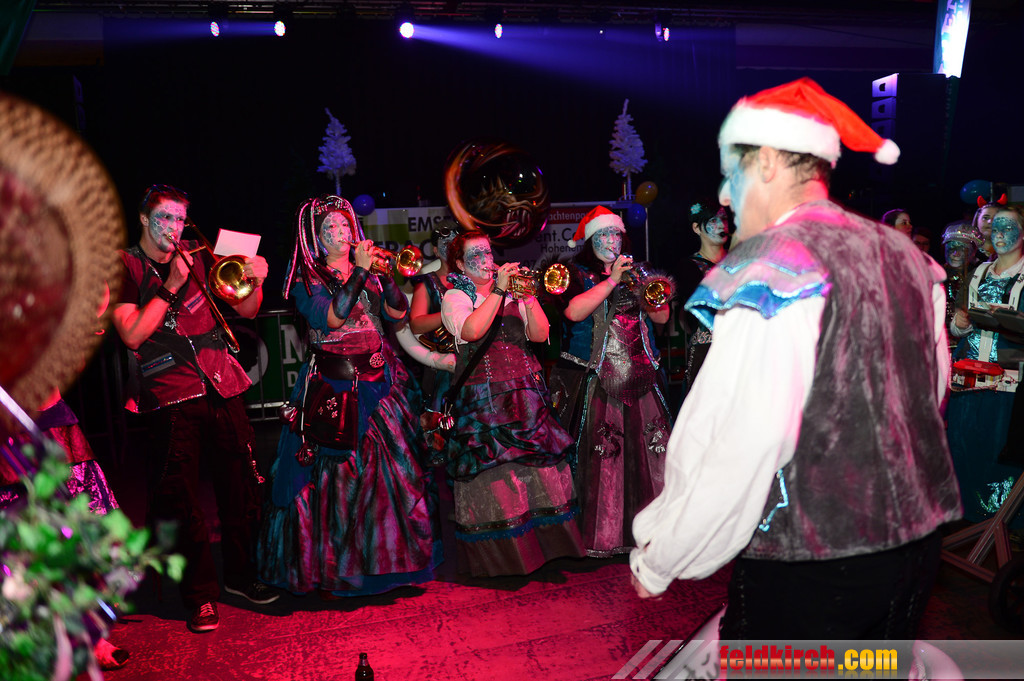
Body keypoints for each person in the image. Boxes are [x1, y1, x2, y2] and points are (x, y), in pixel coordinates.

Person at [629, 78, 962, 640]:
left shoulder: (774, 269)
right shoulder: (905, 254)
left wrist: (663, 554)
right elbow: (932, 391)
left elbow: (742, 436)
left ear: (765, 162)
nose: (726, 197)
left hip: (813, 557)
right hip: (914, 544)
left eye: (731, 175)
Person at [111, 184, 276, 634]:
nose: (174, 227)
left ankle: (241, 576)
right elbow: (131, 334)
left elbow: (248, 309)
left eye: (180, 219)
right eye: (165, 217)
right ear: (143, 218)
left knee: (241, 487)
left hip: (223, 382)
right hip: (169, 392)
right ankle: (200, 595)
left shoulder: (199, 252)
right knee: (182, 502)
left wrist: (256, 278)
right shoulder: (124, 264)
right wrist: (172, 285)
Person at [256, 195, 437, 597]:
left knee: (391, 477)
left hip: (381, 384)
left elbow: (397, 314)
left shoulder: (368, 271)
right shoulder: (307, 278)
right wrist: (360, 270)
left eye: (343, 225)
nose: (340, 233)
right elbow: (332, 317)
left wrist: (386, 276)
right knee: (338, 482)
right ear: (316, 238)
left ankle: (386, 560)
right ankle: (339, 568)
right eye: (330, 228)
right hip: (334, 388)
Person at [440, 230, 585, 576]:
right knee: (499, 476)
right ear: (460, 264)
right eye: (475, 255)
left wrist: (528, 297)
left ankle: (546, 548)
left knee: (539, 472)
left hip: (526, 393)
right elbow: (471, 331)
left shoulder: (513, 291)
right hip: (485, 401)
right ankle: (506, 557)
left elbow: (539, 334)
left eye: (487, 252)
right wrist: (499, 292)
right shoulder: (455, 296)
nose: (485, 260)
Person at [546, 206, 670, 556]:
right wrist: (612, 280)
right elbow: (574, 312)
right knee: (604, 458)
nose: (610, 241)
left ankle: (652, 532)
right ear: (590, 241)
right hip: (597, 379)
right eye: (602, 235)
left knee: (651, 457)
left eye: (615, 234)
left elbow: (662, 317)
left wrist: (644, 286)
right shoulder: (576, 273)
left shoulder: (639, 271)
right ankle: (604, 534)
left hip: (641, 378)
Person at [947, 207, 1024, 525]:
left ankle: (1006, 523)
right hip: (969, 376)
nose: (1001, 233)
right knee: (965, 443)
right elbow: (957, 325)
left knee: (1001, 449)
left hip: (1010, 383)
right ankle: (967, 517)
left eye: (1010, 226)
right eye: (997, 227)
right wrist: (960, 322)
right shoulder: (978, 272)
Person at [409, 218, 461, 408]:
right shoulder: (426, 282)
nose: (451, 248)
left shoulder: (474, 278)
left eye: (455, 243)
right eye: (445, 244)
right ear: (435, 250)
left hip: (476, 362)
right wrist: (452, 315)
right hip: (443, 366)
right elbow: (416, 324)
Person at [677, 201, 730, 389]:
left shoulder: (741, 260)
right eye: (713, 221)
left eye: (723, 219)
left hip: (742, 347)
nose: (721, 225)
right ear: (697, 228)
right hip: (707, 352)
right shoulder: (688, 267)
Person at [940, 220, 982, 333]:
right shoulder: (936, 276)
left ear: (973, 251)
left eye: (962, 248)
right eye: (952, 247)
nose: (956, 253)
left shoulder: (980, 277)